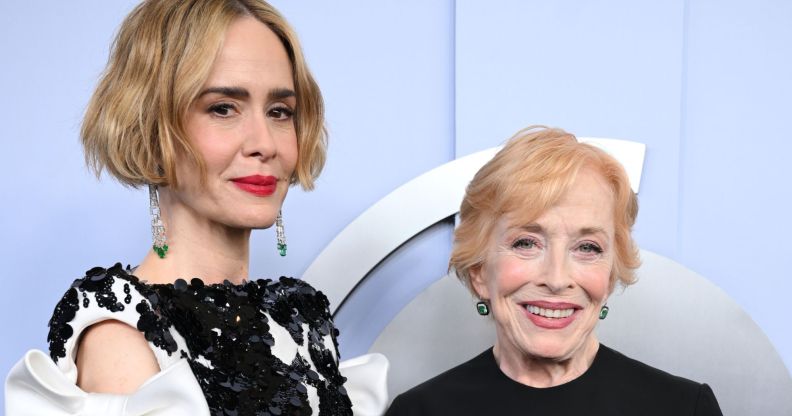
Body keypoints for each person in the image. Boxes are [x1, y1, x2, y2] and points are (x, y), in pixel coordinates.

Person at [5, 1, 386, 415]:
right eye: (223, 108)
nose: (265, 143)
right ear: (152, 127)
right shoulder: (123, 330)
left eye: (280, 112)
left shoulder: (302, 316)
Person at [385, 126, 722, 415]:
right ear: (478, 270)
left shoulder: (684, 408)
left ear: (610, 274)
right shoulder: (417, 412)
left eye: (587, 248)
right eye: (526, 243)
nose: (557, 279)